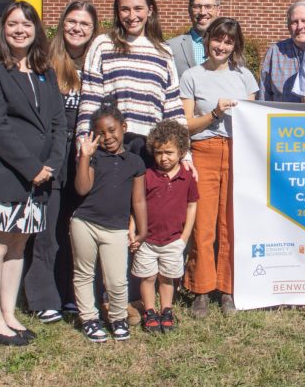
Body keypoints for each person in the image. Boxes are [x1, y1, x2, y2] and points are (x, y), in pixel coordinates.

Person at [0, 1, 66, 346]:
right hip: (2, 171)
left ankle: (9, 314)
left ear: (36, 30)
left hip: (38, 178)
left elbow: (57, 122)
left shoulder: (45, 71)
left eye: (26, 24)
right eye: (12, 24)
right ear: (2, 29)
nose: (19, 30)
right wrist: (31, 167)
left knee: (19, 245)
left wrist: (51, 163)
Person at [24, 0, 98, 324]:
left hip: (84, 155)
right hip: (53, 151)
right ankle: (43, 296)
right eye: (72, 21)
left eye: (84, 24)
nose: (77, 28)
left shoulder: (98, 63)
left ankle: (71, 294)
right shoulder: (45, 62)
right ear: (61, 24)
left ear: (94, 30)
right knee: (47, 228)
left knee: (75, 228)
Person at [180, 17, 259, 318]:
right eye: (217, 39)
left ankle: (228, 289)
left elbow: (253, 120)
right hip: (204, 150)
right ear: (208, 39)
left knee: (232, 224)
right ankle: (201, 289)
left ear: (235, 46)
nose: (222, 46)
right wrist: (214, 112)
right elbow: (186, 125)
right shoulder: (192, 76)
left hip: (238, 152)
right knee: (203, 224)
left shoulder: (245, 78)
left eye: (228, 41)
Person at [77, 0, 186, 157]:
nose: (131, 15)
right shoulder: (103, 45)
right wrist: (83, 145)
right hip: (110, 145)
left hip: (151, 148)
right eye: (125, 9)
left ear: (150, 10)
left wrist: (184, 153)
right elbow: (90, 101)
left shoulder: (163, 51)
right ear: (117, 12)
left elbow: (173, 107)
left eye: (138, 8)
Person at [70, 104, 148, 342]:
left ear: (124, 127)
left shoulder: (135, 162)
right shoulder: (94, 158)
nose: (108, 137)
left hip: (116, 228)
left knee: (116, 279)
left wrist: (143, 230)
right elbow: (82, 188)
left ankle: (118, 318)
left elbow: (139, 200)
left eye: (112, 130)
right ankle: (90, 319)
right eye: (101, 133)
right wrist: (85, 156)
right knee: (84, 274)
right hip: (85, 223)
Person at [132, 121, 199, 334]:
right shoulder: (147, 175)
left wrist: (184, 237)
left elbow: (192, 205)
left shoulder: (187, 176)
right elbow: (136, 205)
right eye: (159, 152)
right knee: (148, 277)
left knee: (167, 277)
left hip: (174, 239)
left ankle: (166, 310)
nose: (164, 157)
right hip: (147, 240)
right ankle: (150, 311)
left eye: (169, 152)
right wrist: (133, 231)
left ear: (181, 151)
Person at [259, 0, 305, 102]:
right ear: (288, 27)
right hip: (283, 117)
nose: (300, 26)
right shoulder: (275, 53)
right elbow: (264, 95)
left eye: (304, 21)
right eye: (294, 22)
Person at [168, 0, 222, 78]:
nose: (203, 12)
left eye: (208, 6)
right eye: (197, 7)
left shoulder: (230, 48)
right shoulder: (170, 47)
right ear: (189, 10)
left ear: (218, 10)